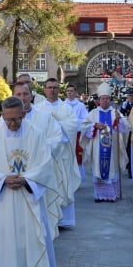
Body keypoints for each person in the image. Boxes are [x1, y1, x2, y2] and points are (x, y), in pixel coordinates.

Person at [0, 97, 57, 267]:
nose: (13, 124)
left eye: (17, 119)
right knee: (4, 239)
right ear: (2, 115)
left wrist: (26, 180)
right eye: (8, 120)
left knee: (30, 235)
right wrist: (2, 179)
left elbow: (45, 163)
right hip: (3, 197)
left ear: (24, 114)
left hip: (28, 196)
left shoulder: (37, 135)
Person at [11, 81, 62, 267]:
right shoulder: (4, 120)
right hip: (12, 183)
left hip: (36, 180)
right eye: (18, 95)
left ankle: (42, 265)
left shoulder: (44, 118)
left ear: (32, 96)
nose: (22, 98)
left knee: (40, 222)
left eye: (25, 94)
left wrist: (35, 154)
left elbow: (56, 140)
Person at [36, 77, 81, 229]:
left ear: (58, 89)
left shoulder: (66, 108)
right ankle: (50, 218)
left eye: (55, 87)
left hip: (63, 152)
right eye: (49, 87)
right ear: (45, 89)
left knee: (64, 183)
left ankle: (64, 220)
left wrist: (56, 124)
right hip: (46, 153)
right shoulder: (38, 108)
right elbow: (34, 130)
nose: (52, 90)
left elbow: (73, 125)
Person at [80, 82, 127, 202]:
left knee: (111, 168)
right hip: (97, 149)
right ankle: (99, 196)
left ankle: (112, 195)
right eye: (103, 98)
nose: (105, 101)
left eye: (107, 98)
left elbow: (125, 128)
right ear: (98, 100)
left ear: (110, 100)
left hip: (112, 149)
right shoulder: (94, 113)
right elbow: (84, 126)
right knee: (99, 168)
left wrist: (119, 120)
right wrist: (95, 125)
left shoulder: (115, 112)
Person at [64, 83, 88, 179]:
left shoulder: (80, 106)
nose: (69, 93)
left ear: (75, 93)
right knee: (67, 156)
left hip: (77, 134)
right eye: (68, 91)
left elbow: (85, 120)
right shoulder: (62, 105)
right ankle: (68, 178)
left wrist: (73, 122)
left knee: (77, 156)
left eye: (71, 91)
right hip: (65, 135)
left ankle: (78, 178)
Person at [120, 88, 133, 178]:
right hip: (127, 128)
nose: (131, 98)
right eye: (130, 96)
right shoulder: (125, 105)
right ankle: (129, 168)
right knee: (127, 148)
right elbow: (121, 115)